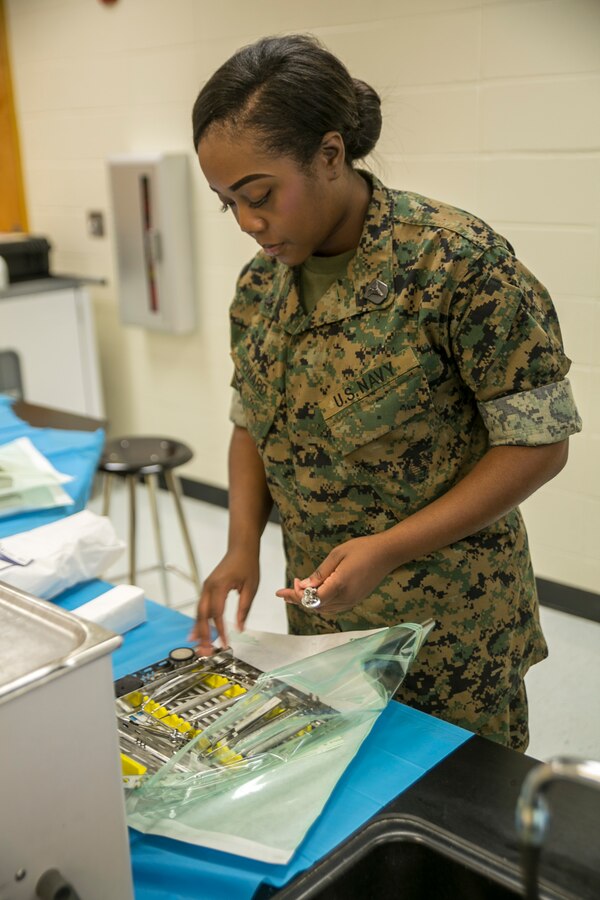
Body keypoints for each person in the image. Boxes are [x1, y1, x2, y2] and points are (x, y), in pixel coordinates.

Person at [189, 34, 582, 751]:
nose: (249, 224)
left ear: (330, 155)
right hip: (323, 623)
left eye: (260, 196)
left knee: (458, 836)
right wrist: (241, 543)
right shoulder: (260, 288)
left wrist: (391, 548)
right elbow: (252, 424)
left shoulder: (453, 263)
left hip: (452, 633)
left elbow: (538, 443)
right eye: (228, 205)